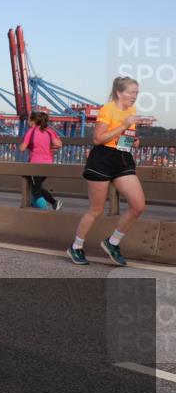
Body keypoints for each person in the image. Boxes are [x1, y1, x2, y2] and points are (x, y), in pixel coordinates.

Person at [68, 76, 147, 267]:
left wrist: (133, 140)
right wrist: (124, 126)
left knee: (138, 206)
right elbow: (98, 139)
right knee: (96, 210)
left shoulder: (132, 111)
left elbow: (123, 138)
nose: (135, 96)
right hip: (102, 158)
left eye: (137, 92)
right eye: (131, 92)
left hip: (122, 158)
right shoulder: (107, 109)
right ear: (119, 93)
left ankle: (112, 243)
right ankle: (76, 247)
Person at [19, 111, 62, 210]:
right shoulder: (49, 131)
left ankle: (47, 210)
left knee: (36, 191)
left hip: (35, 165)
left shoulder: (31, 131)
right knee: (36, 187)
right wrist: (50, 146)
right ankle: (39, 205)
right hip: (48, 164)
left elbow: (22, 148)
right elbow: (59, 144)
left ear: (33, 121)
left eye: (29, 119)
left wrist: (23, 145)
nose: (28, 121)